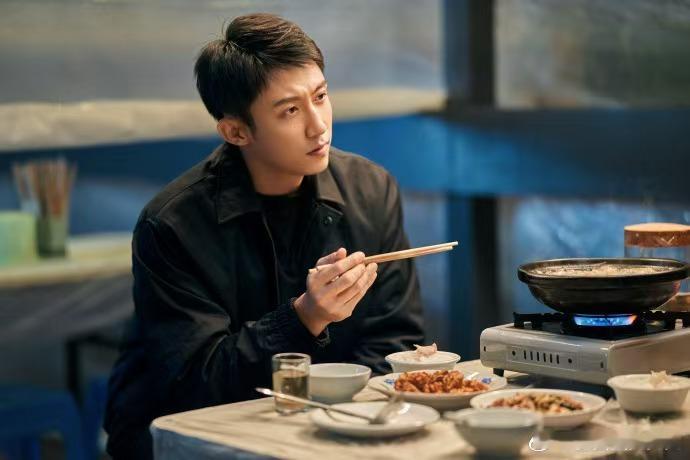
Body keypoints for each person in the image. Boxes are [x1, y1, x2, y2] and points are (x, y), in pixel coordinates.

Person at [104, 13, 424, 459]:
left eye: (321, 97)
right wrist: (304, 317)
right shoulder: (172, 223)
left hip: (331, 429)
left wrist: (334, 418)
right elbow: (196, 381)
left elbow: (396, 342)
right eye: (290, 110)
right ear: (236, 131)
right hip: (187, 434)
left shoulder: (371, 190)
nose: (318, 125)